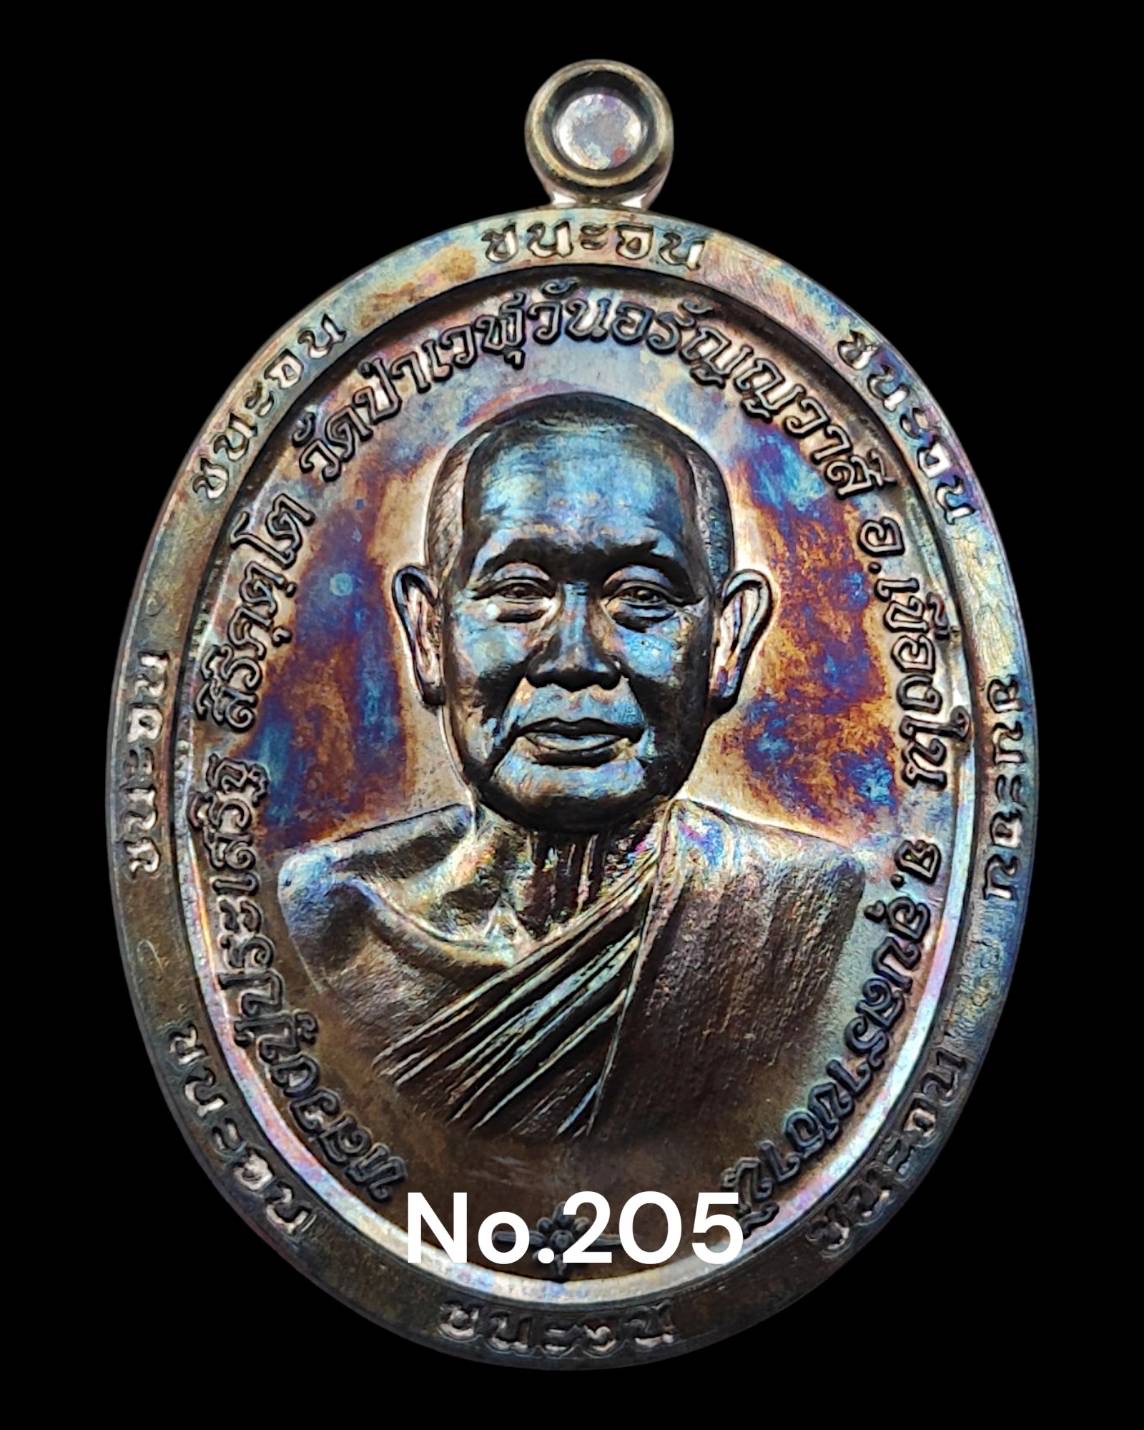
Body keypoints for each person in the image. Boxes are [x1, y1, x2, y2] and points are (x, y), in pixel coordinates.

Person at [278, 392, 864, 1143]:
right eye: (519, 594)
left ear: (725, 640)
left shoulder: (794, 910)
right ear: (429, 633)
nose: (575, 660)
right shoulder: (336, 918)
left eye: (641, 597)